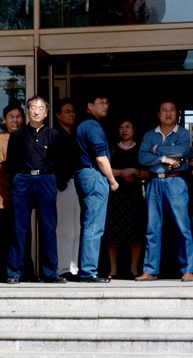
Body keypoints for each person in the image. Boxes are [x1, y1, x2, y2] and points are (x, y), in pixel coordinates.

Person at [5, 96, 66, 284]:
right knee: (19, 228)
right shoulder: (17, 135)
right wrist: (18, 177)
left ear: (46, 113)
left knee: (48, 227)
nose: (36, 111)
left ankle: (50, 272)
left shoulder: (53, 135)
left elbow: (60, 160)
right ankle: (15, 272)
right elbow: (11, 162)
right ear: (28, 111)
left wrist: (56, 181)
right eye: (33, 107)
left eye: (40, 108)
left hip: (46, 179)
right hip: (22, 180)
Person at [136, 101, 193, 281]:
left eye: (171, 111)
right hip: (154, 182)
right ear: (158, 114)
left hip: (176, 181)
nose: (168, 114)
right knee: (152, 228)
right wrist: (164, 159)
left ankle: (188, 269)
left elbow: (181, 150)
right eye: (164, 111)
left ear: (177, 114)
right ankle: (150, 270)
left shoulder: (183, 133)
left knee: (182, 227)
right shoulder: (149, 134)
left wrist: (156, 150)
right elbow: (142, 157)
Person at [75, 94, 119, 283]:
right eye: (101, 103)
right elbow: (101, 157)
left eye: (107, 102)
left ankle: (86, 268)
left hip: (84, 175)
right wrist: (112, 180)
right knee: (94, 225)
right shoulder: (92, 126)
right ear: (89, 105)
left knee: (89, 223)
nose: (105, 106)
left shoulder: (82, 124)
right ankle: (88, 271)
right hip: (94, 175)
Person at [104, 119, 148, 279]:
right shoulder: (112, 147)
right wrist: (122, 173)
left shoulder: (141, 148)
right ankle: (113, 269)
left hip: (134, 195)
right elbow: (104, 167)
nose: (124, 130)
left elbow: (148, 173)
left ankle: (134, 269)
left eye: (128, 127)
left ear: (134, 129)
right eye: (121, 127)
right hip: (115, 193)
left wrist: (135, 171)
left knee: (136, 233)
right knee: (112, 232)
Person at [0, 103, 24, 282]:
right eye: (11, 117)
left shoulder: (26, 137)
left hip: (24, 196)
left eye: (18, 117)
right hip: (5, 195)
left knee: (22, 235)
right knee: (5, 236)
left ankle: (23, 271)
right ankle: (3, 273)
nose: (15, 120)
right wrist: (19, 182)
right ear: (4, 120)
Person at [54, 99, 80, 280]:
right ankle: (62, 268)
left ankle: (73, 268)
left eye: (73, 111)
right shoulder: (55, 135)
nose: (71, 115)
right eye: (67, 111)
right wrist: (60, 182)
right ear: (58, 115)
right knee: (65, 229)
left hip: (78, 183)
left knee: (77, 229)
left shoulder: (76, 134)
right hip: (63, 184)